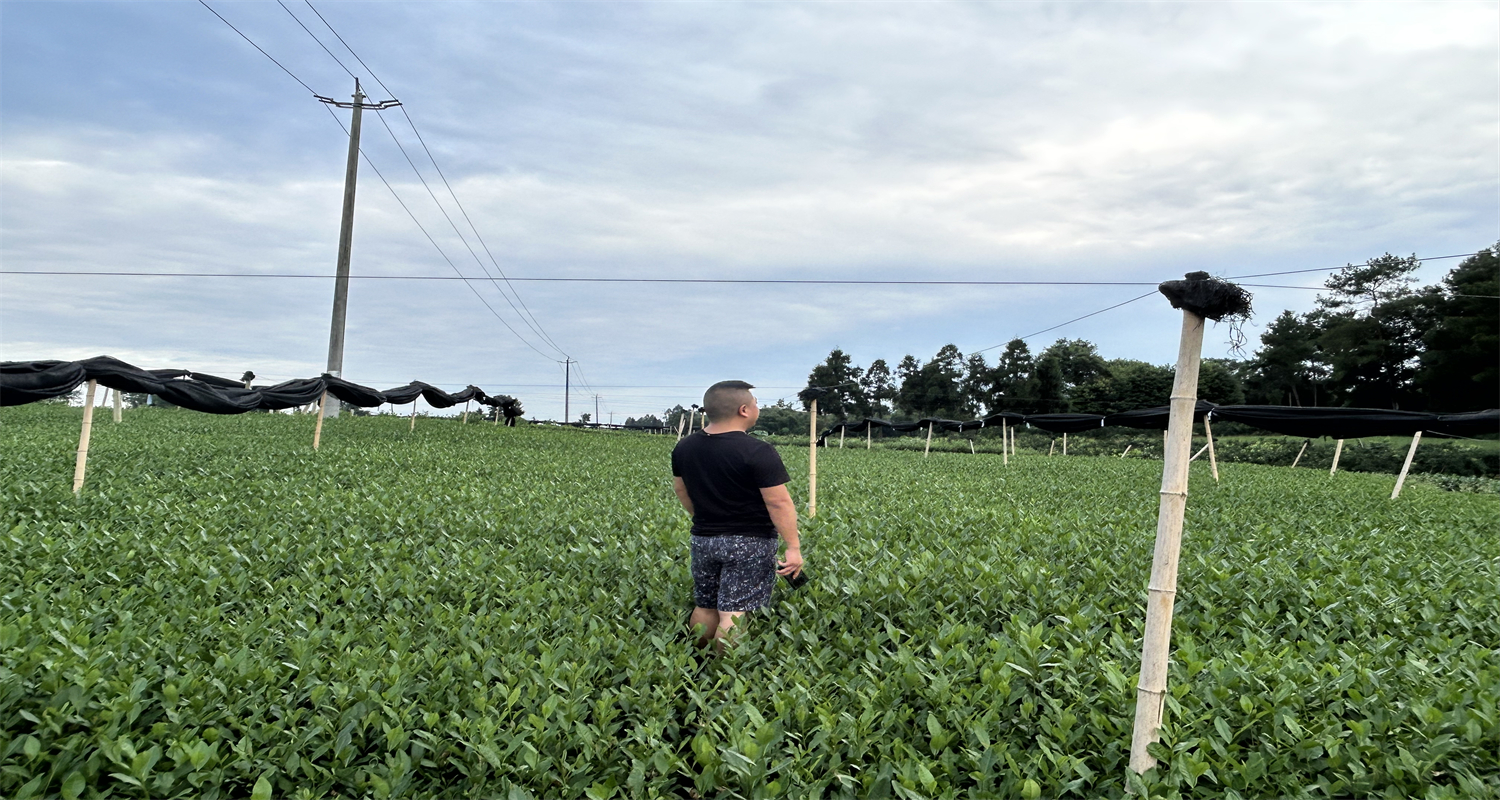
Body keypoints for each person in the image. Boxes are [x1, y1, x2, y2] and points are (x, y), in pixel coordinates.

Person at [671, 380, 803, 651]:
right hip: (750, 541)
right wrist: (793, 546)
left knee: (705, 604)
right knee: (734, 611)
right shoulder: (757, 451)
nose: (758, 408)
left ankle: (695, 664)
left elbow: (680, 488)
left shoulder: (684, 448)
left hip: (703, 538)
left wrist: (705, 516)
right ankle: (726, 675)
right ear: (744, 410)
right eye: (756, 404)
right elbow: (779, 503)